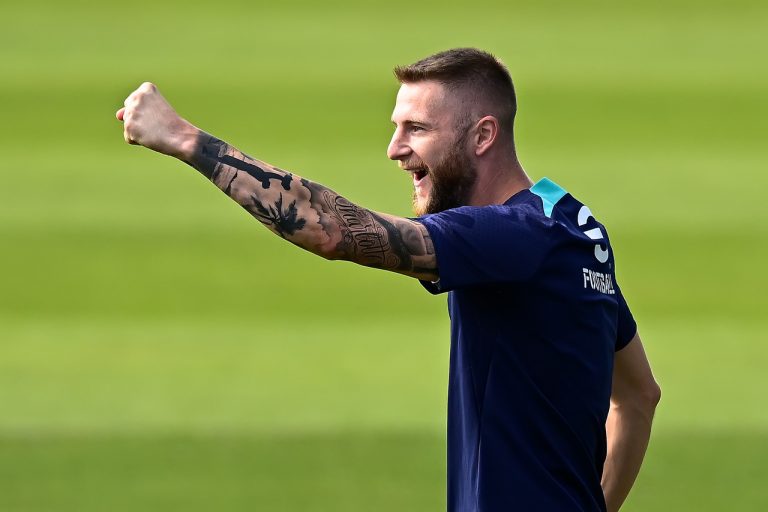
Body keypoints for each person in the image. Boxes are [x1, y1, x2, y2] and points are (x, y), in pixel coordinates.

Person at [116, 48, 660, 512]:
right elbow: (639, 395)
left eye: (416, 129)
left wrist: (183, 138)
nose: (394, 149)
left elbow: (334, 231)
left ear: (483, 135)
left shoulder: (512, 236)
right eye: (396, 127)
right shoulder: (568, 225)